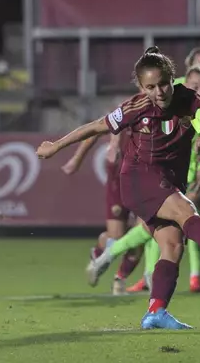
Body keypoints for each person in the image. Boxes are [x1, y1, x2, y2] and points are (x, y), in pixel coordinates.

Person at [36, 46, 200, 329]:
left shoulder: (191, 100)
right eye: (151, 87)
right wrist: (56, 146)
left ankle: (156, 311)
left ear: (172, 78)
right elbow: (96, 127)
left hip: (168, 180)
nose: (159, 92)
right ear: (142, 87)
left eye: (164, 83)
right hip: (138, 178)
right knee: (185, 209)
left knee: (172, 245)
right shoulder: (136, 107)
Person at [127, 47, 200, 294]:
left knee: (186, 222)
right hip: (158, 170)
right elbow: (130, 113)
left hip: (194, 172)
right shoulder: (167, 87)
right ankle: (144, 276)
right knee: (158, 226)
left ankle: (192, 278)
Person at [61, 113, 143, 295]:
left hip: (146, 180)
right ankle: (99, 253)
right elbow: (95, 129)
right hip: (119, 178)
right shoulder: (128, 109)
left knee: (143, 235)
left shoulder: (166, 110)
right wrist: (77, 159)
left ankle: (119, 281)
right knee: (116, 237)